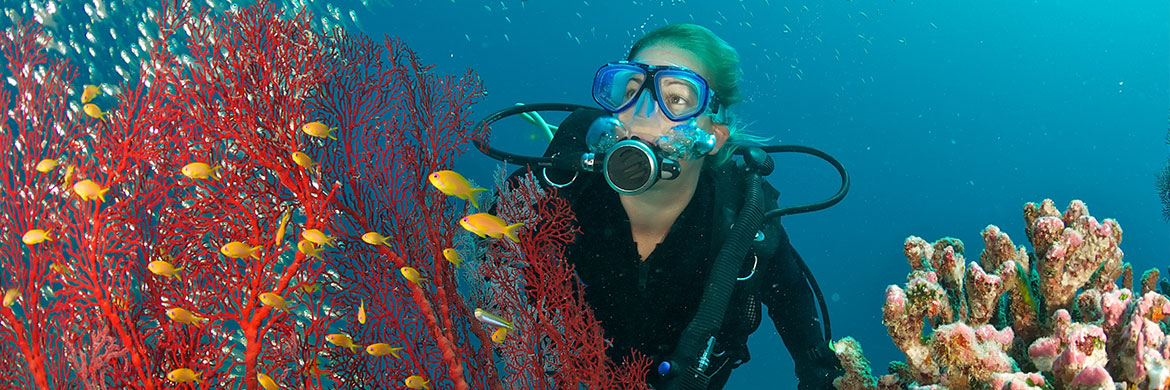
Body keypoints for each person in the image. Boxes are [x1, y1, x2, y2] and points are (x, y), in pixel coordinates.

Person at [505, 24, 843, 389]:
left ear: (713, 136)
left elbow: (799, 318)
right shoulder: (560, 185)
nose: (643, 112)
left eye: (677, 98)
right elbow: (481, 249)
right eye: (631, 90)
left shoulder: (742, 224)